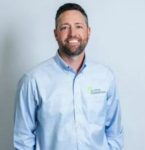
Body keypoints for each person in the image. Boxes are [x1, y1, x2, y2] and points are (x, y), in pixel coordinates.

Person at [14, 3, 123, 150]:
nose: (72, 34)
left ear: (88, 32)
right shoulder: (33, 80)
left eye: (78, 26)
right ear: (55, 34)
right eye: (65, 27)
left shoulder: (105, 77)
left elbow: (115, 133)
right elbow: (23, 139)